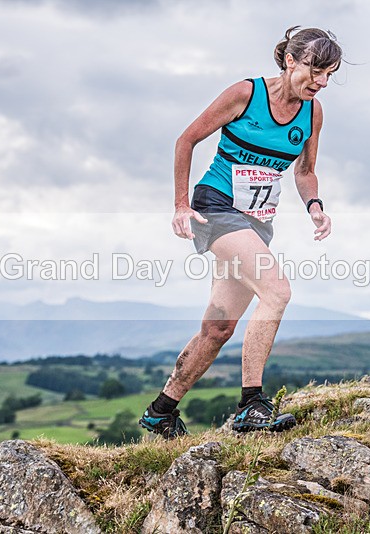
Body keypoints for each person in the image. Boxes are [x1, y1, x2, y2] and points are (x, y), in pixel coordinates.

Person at [138, 26, 343, 438]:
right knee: (277, 290)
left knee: (219, 328)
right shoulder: (246, 94)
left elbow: (305, 172)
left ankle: (161, 411)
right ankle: (251, 405)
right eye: (315, 71)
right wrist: (180, 204)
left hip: (257, 221)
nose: (320, 83)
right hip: (216, 207)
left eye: (329, 76)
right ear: (291, 61)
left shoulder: (312, 113)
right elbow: (186, 140)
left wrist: (315, 205)